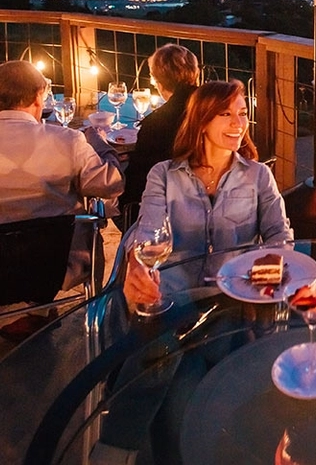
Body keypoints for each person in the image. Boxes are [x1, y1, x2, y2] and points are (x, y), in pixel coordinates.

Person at [123, 79, 293, 308]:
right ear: (201, 121)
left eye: (242, 113)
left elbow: (279, 234)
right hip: (172, 298)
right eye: (225, 114)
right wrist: (136, 264)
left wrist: (270, 267)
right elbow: (148, 234)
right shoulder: (163, 174)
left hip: (236, 298)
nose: (238, 123)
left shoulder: (259, 175)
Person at [0, 60, 124, 338]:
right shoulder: (68, 140)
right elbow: (110, 185)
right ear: (38, 96)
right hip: (58, 267)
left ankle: (19, 314)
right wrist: (103, 149)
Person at [119, 43, 199, 228]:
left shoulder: (156, 124)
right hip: (214, 200)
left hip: (168, 213)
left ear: (157, 80)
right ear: (195, 73)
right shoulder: (216, 108)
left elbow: (139, 182)